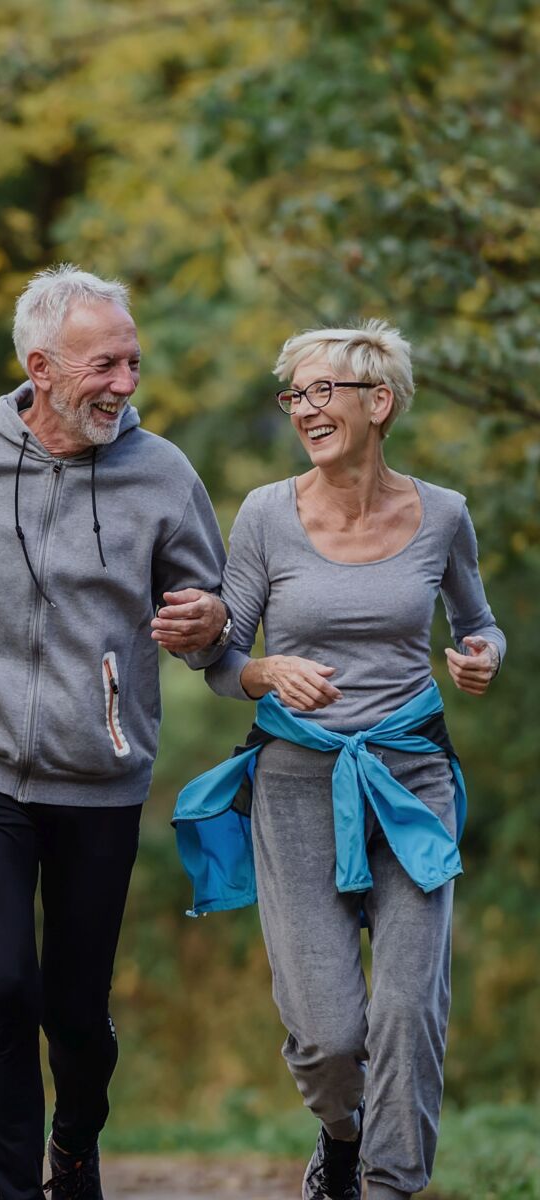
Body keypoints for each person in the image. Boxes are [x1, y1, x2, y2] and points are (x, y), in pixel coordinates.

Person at [0, 265, 230, 1200]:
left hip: (99, 773)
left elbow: (212, 608)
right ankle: (17, 1191)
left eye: (133, 363)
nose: (125, 383)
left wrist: (209, 624)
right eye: (104, 364)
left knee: (75, 1008)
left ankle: (77, 1139)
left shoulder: (163, 474)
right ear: (42, 365)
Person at [173, 320, 504, 1200]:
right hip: (296, 787)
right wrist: (266, 669)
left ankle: (392, 1185)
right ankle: (344, 1134)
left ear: (378, 402)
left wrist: (481, 656)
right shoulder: (266, 516)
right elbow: (220, 664)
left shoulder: (443, 515)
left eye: (323, 391)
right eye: (295, 394)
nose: (304, 409)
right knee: (326, 1033)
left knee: (405, 1010)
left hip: (411, 781)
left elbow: (480, 622)